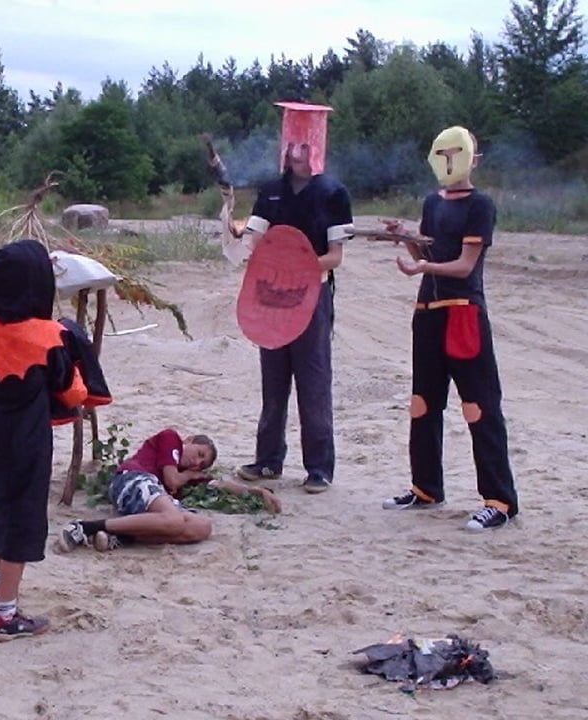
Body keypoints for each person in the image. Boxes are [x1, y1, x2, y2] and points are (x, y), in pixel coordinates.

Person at [0, 239, 105, 642]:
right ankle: (5, 615)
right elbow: (71, 392)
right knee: (23, 520)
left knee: (2, 509)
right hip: (27, 441)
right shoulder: (48, 337)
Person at [379, 125, 519, 530]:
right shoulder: (432, 201)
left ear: (474, 160)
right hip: (428, 312)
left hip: (463, 313)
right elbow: (428, 249)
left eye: (456, 154)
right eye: (442, 155)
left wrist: (423, 266)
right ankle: (426, 487)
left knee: (479, 406)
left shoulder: (480, 205)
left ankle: (500, 500)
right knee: (423, 403)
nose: (449, 162)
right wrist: (405, 238)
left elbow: (463, 266)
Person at [233, 102, 354, 494]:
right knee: (273, 381)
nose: (295, 153)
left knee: (313, 380)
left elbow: (334, 256)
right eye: (291, 144)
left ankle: (319, 467)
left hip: (312, 295)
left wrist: (298, 267)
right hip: (270, 295)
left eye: (303, 145)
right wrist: (244, 239)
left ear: (315, 146)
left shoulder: (333, 194)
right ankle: (268, 460)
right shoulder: (271, 191)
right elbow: (256, 240)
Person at [58, 428, 282, 551]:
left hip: (155, 500)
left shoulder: (189, 475)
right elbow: (172, 480)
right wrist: (188, 476)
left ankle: (120, 536)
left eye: (202, 464)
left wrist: (258, 492)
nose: (197, 463)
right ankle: (85, 527)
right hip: (133, 479)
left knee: (202, 527)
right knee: (174, 519)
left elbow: (220, 485)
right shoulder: (170, 439)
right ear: (189, 439)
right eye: (199, 454)